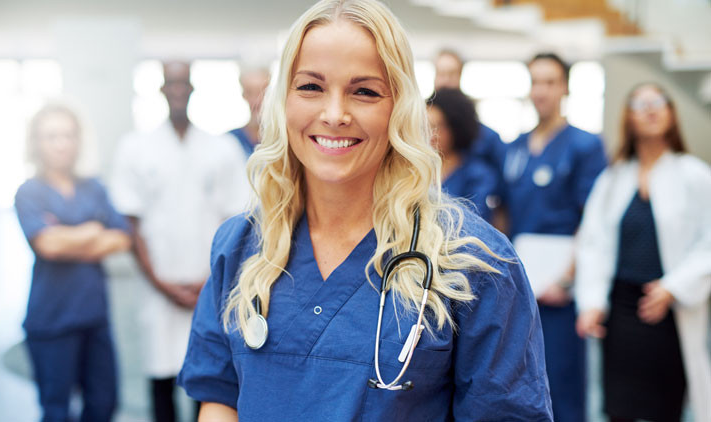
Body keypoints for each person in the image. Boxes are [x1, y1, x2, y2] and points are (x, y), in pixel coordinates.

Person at [177, 1, 552, 420]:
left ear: (400, 108)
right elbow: (219, 398)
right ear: (282, 101)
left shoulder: (474, 262)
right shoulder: (242, 247)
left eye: (365, 92)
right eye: (311, 87)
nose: (335, 114)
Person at [111, 62, 248, 422]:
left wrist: (210, 283)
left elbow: (236, 220)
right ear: (160, 89)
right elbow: (131, 222)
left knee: (207, 378)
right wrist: (160, 283)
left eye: (182, 83)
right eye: (170, 83)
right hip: (158, 288)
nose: (176, 90)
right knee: (160, 377)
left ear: (191, 89)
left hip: (211, 286)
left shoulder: (221, 149)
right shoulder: (135, 148)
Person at [575, 83, 711, 422]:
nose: (651, 109)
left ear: (671, 113)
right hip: (619, 312)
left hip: (667, 312)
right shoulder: (613, 178)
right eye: (640, 103)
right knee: (619, 409)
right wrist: (591, 302)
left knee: (665, 409)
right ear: (628, 117)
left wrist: (672, 287)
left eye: (659, 101)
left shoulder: (695, 175)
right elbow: (593, 242)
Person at [499, 53, 607, 422]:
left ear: (564, 88)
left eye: (550, 82)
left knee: (561, 378)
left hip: (561, 284)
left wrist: (568, 278)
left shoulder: (585, 146)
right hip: (522, 279)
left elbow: (592, 220)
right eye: (535, 82)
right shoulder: (514, 148)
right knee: (519, 376)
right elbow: (504, 215)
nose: (541, 91)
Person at [14, 103, 131, 422]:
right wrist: (93, 231)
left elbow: (121, 238)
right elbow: (48, 246)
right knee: (56, 409)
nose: (60, 143)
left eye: (67, 135)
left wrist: (67, 237)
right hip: (51, 320)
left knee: (104, 403)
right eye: (51, 136)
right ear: (36, 142)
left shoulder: (94, 187)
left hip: (94, 317)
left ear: (78, 140)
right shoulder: (28, 193)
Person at [426, 88, 499, 222]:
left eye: (438, 127)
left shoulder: (477, 176)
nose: (431, 134)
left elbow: (477, 222)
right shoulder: (415, 171)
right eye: (426, 126)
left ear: (456, 128)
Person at [433, 48, 504, 170]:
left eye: (451, 74)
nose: (446, 81)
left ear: (460, 77)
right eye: (441, 74)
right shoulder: (418, 133)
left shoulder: (486, 137)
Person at [228, 66, 270, 157]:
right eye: (250, 93)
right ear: (243, 95)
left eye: (262, 92)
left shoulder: (284, 140)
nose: (257, 101)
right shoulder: (230, 140)